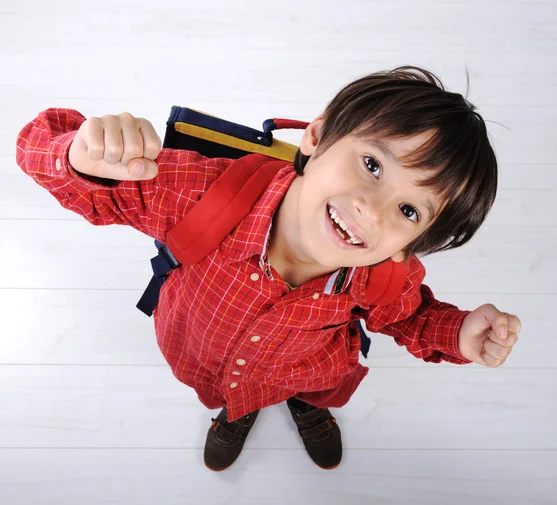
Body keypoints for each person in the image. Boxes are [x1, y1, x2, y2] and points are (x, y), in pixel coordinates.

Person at [16, 66, 521, 472]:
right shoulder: (200, 193)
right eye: (372, 165)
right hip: (202, 347)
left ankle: (306, 404)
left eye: (409, 212)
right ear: (318, 136)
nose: (373, 208)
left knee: (314, 387)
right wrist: (80, 155)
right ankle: (237, 412)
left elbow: (406, 315)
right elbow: (42, 152)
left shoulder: (381, 275)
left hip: (309, 365)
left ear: (408, 247)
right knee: (233, 392)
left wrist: (458, 333)